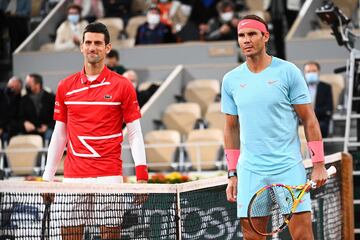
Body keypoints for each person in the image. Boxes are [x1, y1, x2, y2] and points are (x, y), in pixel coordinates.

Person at [222, 15, 328, 240]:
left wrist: (319, 164)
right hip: (250, 171)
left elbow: (309, 119)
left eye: (252, 34)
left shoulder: (288, 72)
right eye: (241, 35)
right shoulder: (231, 80)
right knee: (253, 237)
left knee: (302, 236)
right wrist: (232, 174)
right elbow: (231, 128)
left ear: (265, 36)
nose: (246, 40)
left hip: (288, 167)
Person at [42, 22, 148, 240]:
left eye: (98, 43)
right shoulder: (65, 86)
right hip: (72, 179)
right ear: (81, 47)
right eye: (88, 42)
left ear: (107, 48)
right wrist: (48, 177)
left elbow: (135, 133)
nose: (92, 47)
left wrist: (142, 176)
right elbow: (60, 134)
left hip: (109, 177)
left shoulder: (123, 86)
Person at [19, 73, 55, 143]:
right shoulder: (23, 99)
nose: (27, 85)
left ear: (37, 84)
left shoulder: (51, 98)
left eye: (29, 83)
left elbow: (57, 117)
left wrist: (47, 126)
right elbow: (19, 117)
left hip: (46, 129)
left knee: (50, 135)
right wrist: (24, 123)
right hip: (29, 130)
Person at [304, 61, 333, 138]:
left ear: (318, 72)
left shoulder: (326, 87)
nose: (311, 74)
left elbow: (328, 109)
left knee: (320, 127)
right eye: (308, 72)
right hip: (303, 120)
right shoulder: (300, 87)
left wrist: (310, 113)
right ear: (304, 73)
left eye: (313, 71)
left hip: (320, 120)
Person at [0, 76, 22, 143]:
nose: (10, 88)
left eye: (13, 87)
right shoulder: (2, 95)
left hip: (12, 128)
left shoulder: (20, 99)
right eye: (10, 86)